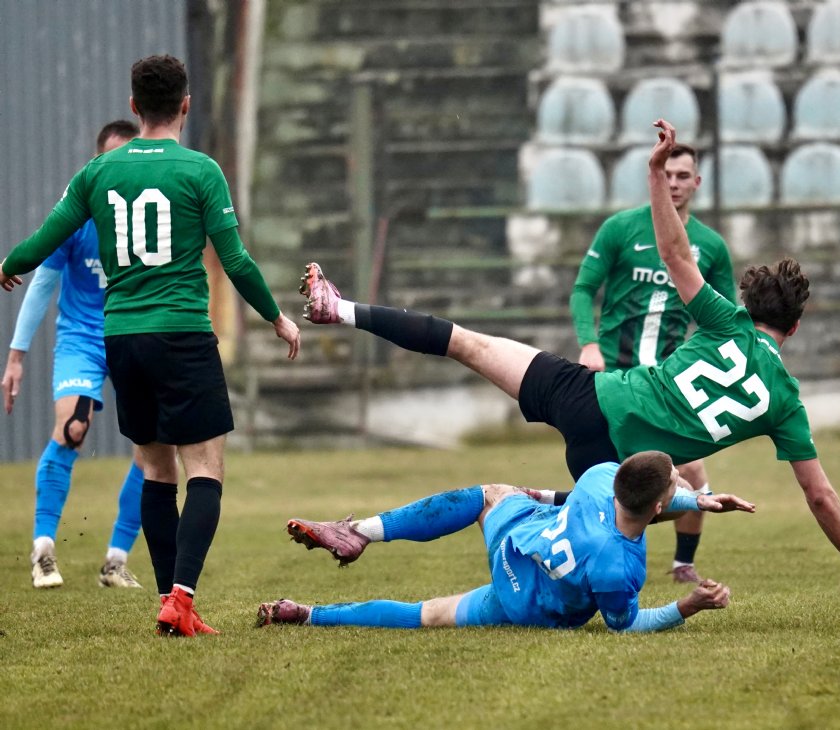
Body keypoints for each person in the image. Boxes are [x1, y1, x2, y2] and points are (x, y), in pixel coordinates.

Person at [297, 119, 840, 583]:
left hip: (588, 394)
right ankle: (393, 528)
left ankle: (339, 310)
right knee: (595, 505)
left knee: (466, 343)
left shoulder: (726, 321)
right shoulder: (786, 403)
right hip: (619, 464)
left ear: (747, 304)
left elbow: (675, 255)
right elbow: (819, 494)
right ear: (796, 326)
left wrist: (654, 173)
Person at [0, 54, 302, 636]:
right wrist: (276, 317)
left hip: (122, 339)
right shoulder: (201, 170)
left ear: (135, 106)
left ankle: (168, 602)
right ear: (185, 105)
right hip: (182, 334)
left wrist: (8, 264)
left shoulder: (97, 172)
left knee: (158, 471)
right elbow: (235, 260)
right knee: (205, 468)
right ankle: (181, 600)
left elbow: (43, 240)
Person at [257, 451, 752, 631]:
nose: (683, 483)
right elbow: (628, 625)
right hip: (525, 602)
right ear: (661, 508)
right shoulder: (617, 568)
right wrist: (687, 606)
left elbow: (645, 496)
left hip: (517, 538)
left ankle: (359, 533)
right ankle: (309, 614)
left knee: (487, 494)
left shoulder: (601, 477)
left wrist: (698, 500)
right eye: (677, 484)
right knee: (428, 615)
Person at [571, 141, 735, 584]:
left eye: (683, 177)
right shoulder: (621, 228)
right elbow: (583, 289)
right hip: (614, 373)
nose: (675, 184)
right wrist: (589, 343)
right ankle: (592, 553)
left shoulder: (711, 246)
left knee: (694, 471)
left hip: (667, 379)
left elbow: (725, 317)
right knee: (603, 472)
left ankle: (683, 565)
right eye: (668, 175)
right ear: (655, 178)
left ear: (697, 183)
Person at [3, 121, 146, 590]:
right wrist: (17, 356)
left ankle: (115, 562)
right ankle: (43, 550)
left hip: (132, 335)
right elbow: (42, 283)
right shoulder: (76, 215)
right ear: (95, 164)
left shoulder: (149, 217)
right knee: (72, 429)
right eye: (110, 161)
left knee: (153, 448)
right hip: (82, 339)